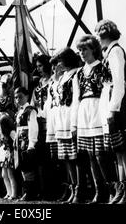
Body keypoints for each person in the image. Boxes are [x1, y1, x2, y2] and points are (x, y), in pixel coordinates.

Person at [95, 19, 126, 204]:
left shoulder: (115, 51)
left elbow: (119, 83)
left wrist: (113, 109)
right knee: (118, 151)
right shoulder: (110, 52)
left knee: (124, 149)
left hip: (119, 105)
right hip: (112, 103)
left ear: (103, 34)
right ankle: (123, 189)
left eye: (98, 34)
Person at [71, 34, 118, 204]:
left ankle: (113, 190)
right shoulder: (78, 74)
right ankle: (100, 192)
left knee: (101, 154)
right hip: (84, 112)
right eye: (80, 50)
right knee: (90, 155)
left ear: (93, 49)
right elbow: (76, 98)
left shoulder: (102, 67)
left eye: (85, 49)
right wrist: (74, 123)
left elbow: (108, 91)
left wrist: (107, 114)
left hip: (99, 110)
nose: (82, 53)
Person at [53, 47, 82, 203]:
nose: (59, 64)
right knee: (66, 158)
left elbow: (76, 98)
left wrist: (75, 123)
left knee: (75, 157)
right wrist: (57, 77)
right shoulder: (62, 76)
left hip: (71, 116)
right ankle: (72, 187)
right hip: (61, 119)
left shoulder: (77, 73)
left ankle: (79, 189)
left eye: (61, 60)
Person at [30, 54, 52, 199]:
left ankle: (53, 188)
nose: (38, 69)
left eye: (40, 66)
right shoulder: (37, 85)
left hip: (51, 121)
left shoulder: (53, 81)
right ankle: (43, 189)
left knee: (52, 158)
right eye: (37, 66)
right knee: (41, 159)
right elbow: (33, 104)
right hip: (39, 123)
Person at [13, 86, 39, 201]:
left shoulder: (30, 110)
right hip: (19, 142)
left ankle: (30, 192)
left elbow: (33, 127)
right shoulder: (19, 112)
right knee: (23, 167)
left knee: (28, 168)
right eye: (16, 97)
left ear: (27, 96)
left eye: (20, 97)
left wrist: (32, 144)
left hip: (27, 141)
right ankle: (26, 191)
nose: (18, 100)